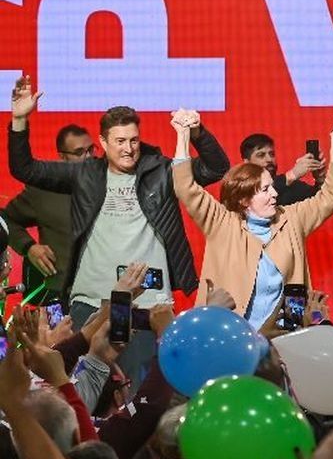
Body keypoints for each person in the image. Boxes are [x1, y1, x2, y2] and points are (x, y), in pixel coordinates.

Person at [8, 76, 230, 383]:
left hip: (146, 305)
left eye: (134, 140)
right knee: (89, 389)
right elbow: (25, 169)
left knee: (139, 392)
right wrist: (19, 120)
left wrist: (198, 132)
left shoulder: (161, 171)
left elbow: (216, 168)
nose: (129, 149)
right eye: (120, 141)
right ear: (103, 143)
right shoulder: (84, 174)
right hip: (92, 302)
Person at [172, 119, 333, 330]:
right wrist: (182, 135)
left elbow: (330, 197)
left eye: (272, 187)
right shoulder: (221, 223)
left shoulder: (291, 219)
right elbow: (185, 187)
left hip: (283, 337)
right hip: (230, 336)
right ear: (244, 199)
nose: (275, 193)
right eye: (266, 189)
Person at [2, 122, 91, 301]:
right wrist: (29, 247)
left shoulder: (109, 183)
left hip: (109, 289)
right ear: (62, 157)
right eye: (80, 152)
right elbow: (6, 220)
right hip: (63, 293)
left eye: (91, 150)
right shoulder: (43, 190)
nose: (88, 157)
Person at [238, 132, 323, 208]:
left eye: (272, 154)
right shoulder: (239, 188)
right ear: (247, 162)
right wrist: (292, 175)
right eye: (261, 155)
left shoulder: (291, 185)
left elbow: (321, 202)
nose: (269, 159)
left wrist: (320, 179)